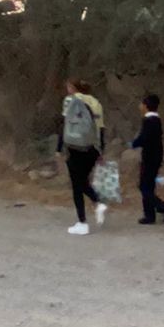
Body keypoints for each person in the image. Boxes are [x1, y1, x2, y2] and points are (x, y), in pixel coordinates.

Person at [57, 79, 107, 236]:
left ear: (72, 88)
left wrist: (59, 148)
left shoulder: (70, 100)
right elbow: (101, 128)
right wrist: (101, 151)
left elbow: (65, 124)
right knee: (82, 180)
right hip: (92, 148)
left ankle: (82, 222)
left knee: (77, 186)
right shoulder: (96, 102)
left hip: (75, 148)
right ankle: (97, 202)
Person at [131, 94, 164, 225]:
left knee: (144, 186)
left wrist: (134, 143)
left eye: (142, 103)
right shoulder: (155, 120)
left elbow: (145, 138)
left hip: (150, 157)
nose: (140, 106)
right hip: (155, 156)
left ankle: (161, 206)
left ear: (146, 106)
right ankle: (149, 215)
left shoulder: (150, 120)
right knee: (148, 185)